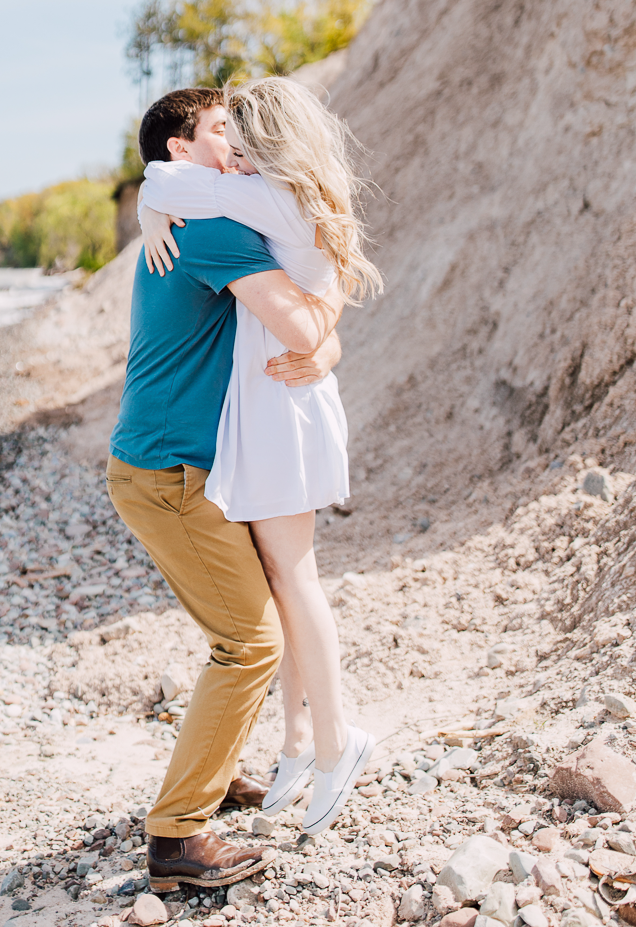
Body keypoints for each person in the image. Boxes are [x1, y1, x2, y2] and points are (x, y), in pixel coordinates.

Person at [107, 86, 344, 895]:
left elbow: (314, 302)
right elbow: (305, 318)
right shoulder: (205, 231)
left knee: (249, 627)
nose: (234, 144)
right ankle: (176, 837)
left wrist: (327, 344)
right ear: (181, 150)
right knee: (248, 644)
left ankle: (211, 778)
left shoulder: (193, 216)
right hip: (171, 473)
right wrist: (323, 344)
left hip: (181, 466)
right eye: (219, 131)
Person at [138, 76, 382, 835]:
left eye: (242, 147)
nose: (233, 161)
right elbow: (327, 286)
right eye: (228, 147)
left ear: (268, 148)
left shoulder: (259, 197)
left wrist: (150, 208)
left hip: (280, 405)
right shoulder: (299, 193)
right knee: (281, 579)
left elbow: (163, 174)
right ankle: (297, 743)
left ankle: (336, 742)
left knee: (294, 576)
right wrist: (326, 335)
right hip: (271, 402)